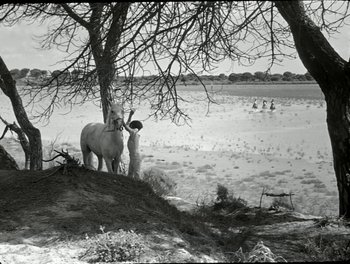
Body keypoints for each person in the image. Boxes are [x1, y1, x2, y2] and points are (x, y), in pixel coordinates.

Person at [123, 108, 143, 180]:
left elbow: (126, 126)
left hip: (136, 157)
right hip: (132, 156)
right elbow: (127, 126)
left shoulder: (134, 133)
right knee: (130, 175)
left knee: (137, 175)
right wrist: (130, 115)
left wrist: (122, 120)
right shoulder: (133, 134)